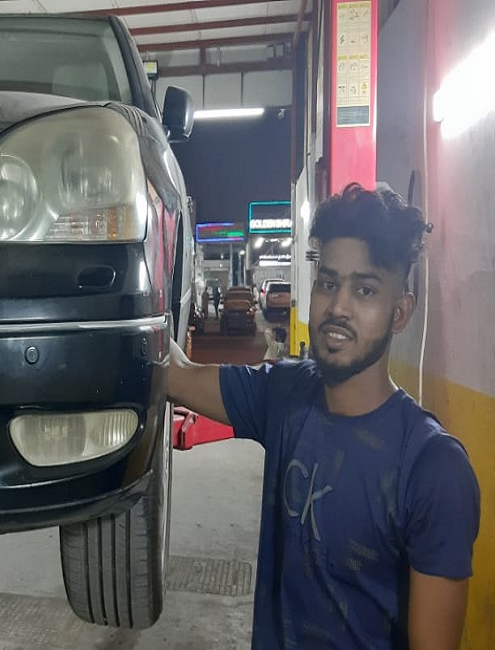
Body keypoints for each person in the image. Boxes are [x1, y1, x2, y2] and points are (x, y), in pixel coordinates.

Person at [167, 183, 480, 649]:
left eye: (365, 290)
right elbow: (175, 376)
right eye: (328, 283)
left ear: (399, 313)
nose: (338, 307)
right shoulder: (285, 394)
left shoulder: (433, 468)